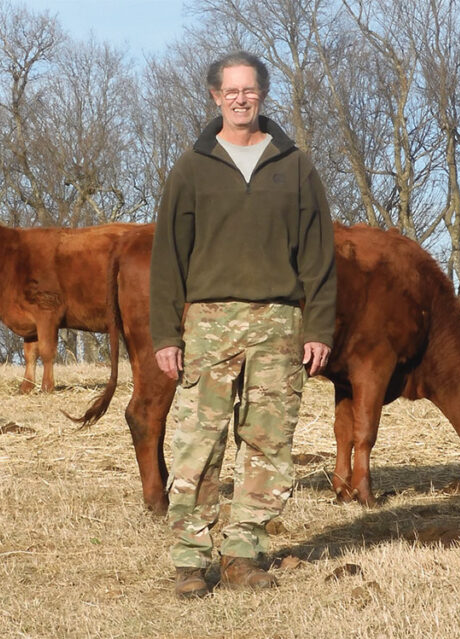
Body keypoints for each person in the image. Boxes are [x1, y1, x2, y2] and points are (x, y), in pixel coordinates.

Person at [149, 51, 337, 599]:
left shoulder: (295, 165)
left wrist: (318, 328)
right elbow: (167, 260)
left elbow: (320, 259)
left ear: (262, 94)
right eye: (230, 90)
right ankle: (190, 559)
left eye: (249, 90)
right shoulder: (191, 167)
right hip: (208, 324)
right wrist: (166, 335)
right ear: (214, 96)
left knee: (267, 444)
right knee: (197, 444)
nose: (240, 98)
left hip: (280, 322)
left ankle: (243, 553)